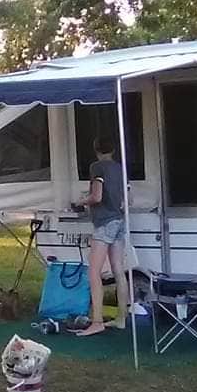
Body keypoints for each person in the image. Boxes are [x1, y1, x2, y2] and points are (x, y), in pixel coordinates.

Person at [76, 134, 131, 338]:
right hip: (120, 220)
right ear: (114, 150)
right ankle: (121, 318)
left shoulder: (97, 167)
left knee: (94, 272)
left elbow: (96, 196)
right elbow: (128, 199)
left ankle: (97, 321)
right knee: (118, 270)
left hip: (104, 222)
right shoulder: (120, 168)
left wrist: (81, 201)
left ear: (96, 150)